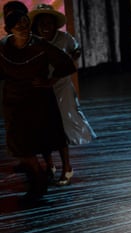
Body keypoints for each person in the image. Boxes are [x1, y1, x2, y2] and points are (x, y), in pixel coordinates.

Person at [0, 9, 76, 199]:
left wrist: (49, 81)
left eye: (26, 24)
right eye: (18, 25)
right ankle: (38, 178)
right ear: (8, 29)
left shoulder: (40, 45)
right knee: (19, 144)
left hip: (39, 100)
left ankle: (41, 182)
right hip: (14, 101)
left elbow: (67, 64)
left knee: (47, 137)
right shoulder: (3, 47)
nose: (23, 28)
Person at [29, 3, 97, 186]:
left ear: (54, 24)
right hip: (40, 89)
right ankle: (49, 165)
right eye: (41, 23)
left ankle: (67, 166)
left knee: (60, 127)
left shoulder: (64, 38)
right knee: (43, 128)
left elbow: (76, 51)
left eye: (49, 23)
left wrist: (67, 64)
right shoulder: (33, 40)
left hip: (61, 87)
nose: (45, 26)